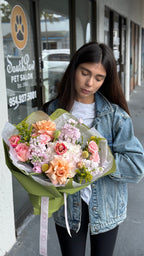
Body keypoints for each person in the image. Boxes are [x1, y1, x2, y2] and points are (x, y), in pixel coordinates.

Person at [42, 42, 144, 256]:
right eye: (85, 73)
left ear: (106, 80)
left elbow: (136, 166)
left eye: (98, 78)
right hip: (67, 209)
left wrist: (98, 159)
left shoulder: (115, 116)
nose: (89, 83)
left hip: (106, 207)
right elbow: (40, 161)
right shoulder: (52, 111)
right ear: (74, 69)